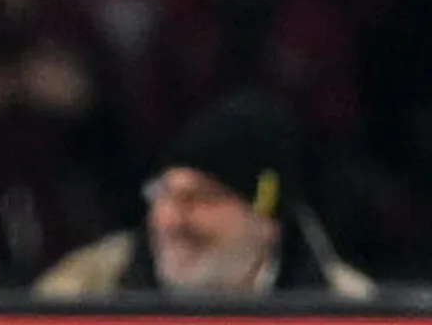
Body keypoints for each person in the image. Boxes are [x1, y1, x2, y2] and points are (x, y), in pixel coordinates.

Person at [34, 92, 373, 299]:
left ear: (266, 221)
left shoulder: (348, 311)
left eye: (201, 198)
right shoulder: (85, 291)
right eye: (164, 194)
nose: (173, 219)